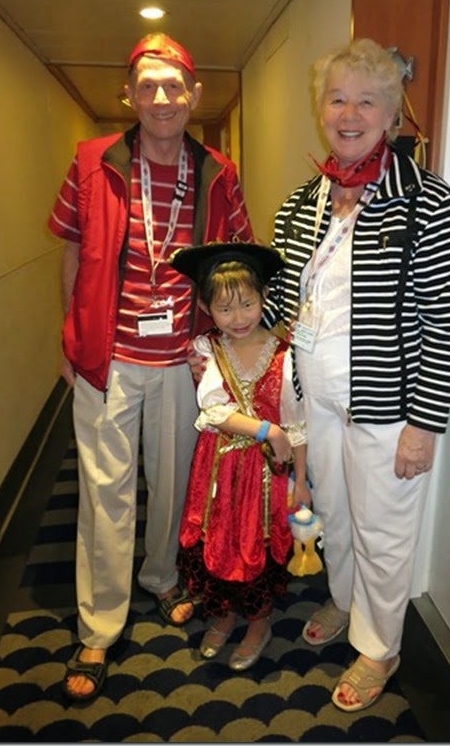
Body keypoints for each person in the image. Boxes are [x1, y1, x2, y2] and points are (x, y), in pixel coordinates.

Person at [261, 38, 450, 711]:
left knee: (382, 531)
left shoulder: (427, 201)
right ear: (320, 108)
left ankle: (379, 646)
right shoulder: (301, 203)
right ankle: (345, 599)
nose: (349, 114)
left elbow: (446, 321)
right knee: (334, 514)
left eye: (366, 101)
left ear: (392, 115)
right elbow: (280, 302)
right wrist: (227, 313)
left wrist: (423, 425)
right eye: (337, 99)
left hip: (387, 408)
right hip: (314, 398)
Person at [48, 33, 254, 702]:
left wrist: (232, 348)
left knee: (172, 486)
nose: (161, 98)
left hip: (181, 363)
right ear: (129, 95)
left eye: (173, 86)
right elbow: (72, 251)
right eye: (147, 86)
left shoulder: (218, 172)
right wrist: (71, 337)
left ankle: (161, 576)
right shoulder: (92, 162)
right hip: (108, 360)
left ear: (194, 95)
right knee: (104, 493)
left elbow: (240, 257)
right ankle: (99, 624)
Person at [168, 242, 309, 671]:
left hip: (265, 476)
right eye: (225, 309)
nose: (239, 317)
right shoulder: (208, 349)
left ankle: (258, 624)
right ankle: (225, 615)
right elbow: (213, 410)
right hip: (217, 469)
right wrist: (266, 429)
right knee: (217, 540)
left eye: (248, 304)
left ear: (264, 298)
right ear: (206, 308)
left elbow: (297, 424)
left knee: (257, 544)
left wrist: (302, 482)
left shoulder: (285, 354)